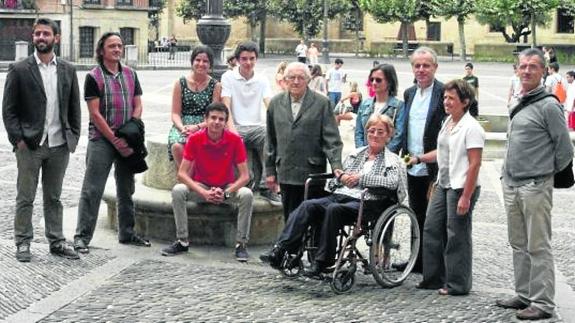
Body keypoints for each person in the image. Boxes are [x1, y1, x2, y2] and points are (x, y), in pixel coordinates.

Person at [261, 114, 407, 277]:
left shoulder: (392, 160)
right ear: (366, 133)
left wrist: (362, 178)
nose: (375, 135)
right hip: (342, 194)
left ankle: (322, 261)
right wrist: (342, 177)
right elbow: (335, 181)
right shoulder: (356, 155)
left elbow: (392, 182)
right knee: (308, 205)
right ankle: (282, 249)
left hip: (368, 201)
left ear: (388, 136)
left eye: (381, 132)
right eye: (372, 131)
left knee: (334, 210)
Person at [495, 48, 573, 321]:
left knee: (538, 245)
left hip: (535, 185)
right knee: (518, 243)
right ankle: (524, 294)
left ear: (543, 71)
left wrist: (543, 174)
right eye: (523, 66)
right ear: (517, 69)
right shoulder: (520, 100)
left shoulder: (549, 105)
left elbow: (565, 149)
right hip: (513, 183)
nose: (526, 71)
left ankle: (543, 303)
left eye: (533, 67)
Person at [2, 18, 81, 262]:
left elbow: (74, 106)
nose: (41, 38)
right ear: (33, 37)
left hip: (59, 145)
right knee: (25, 196)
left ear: (56, 38)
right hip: (30, 145)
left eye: (46, 34)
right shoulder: (20, 69)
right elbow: (9, 110)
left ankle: (56, 241)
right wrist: (19, 140)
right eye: (37, 34)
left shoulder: (67, 69)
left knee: (54, 197)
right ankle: (23, 242)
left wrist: (73, 136)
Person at [74, 32, 150, 254]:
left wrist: (133, 126)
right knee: (92, 189)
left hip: (127, 139)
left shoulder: (131, 74)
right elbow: (95, 115)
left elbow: (138, 104)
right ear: (101, 50)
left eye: (119, 46)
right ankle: (81, 237)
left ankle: (127, 233)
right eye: (112, 46)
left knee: (126, 188)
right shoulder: (94, 76)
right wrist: (115, 140)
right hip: (102, 140)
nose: (117, 49)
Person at [409, 79, 484, 296]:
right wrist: (418, 158)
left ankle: (458, 284)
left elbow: (475, 164)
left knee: (456, 235)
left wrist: (466, 197)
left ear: (465, 101)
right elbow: (441, 153)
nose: (446, 102)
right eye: (445, 97)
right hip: (443, 183)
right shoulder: (448, 122)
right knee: (431, 228)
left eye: (451, 98)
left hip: (461, 187)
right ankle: (433, 278)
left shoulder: (472, 127)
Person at [161, 103, 254, 261]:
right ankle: (182, 241)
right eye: (213, 118)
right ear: (206, 119)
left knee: (247, 194)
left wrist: (225, 194)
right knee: (178, 190)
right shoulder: (195, 139)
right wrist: (203, 192)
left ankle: (241, 244)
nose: (217, 122)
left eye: (221, 119)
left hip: (226, 188)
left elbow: (245, 176)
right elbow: (182, 174)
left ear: (225, 122)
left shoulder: (235, 140)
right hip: (202, 187)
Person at [265, 62, 344, 222]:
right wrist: (270, 171)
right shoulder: (275, 103)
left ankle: (310, 246)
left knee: (311, 217)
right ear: (285, 80)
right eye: (291, 77)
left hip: (311, 171)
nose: (296, 81)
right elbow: (270, 139)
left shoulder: (322, 103)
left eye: (300, 78)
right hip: (286, 170)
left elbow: (332, 139)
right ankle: (291, 247)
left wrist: (336, 166)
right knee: (290, 217)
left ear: (308, 80)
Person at [399, 46, 446, 273]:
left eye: (426, 65)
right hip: (412, 164)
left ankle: (433, 263)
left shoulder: (444, 92)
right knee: (415, 212)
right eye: (417, 65)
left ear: (435, 67)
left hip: (435, 166)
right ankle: (416, 259)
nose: (421, 69)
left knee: (434, 216)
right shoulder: (409, 93)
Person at [221, 41, 280, 203]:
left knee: (270, 137)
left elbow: (270, 105)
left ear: (256, 59)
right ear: (238, 60)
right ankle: (236, 184)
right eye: (244, 59)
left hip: (255, 127)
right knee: (231, 142)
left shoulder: (262, 80)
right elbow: (226, 107)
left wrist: (280, 125)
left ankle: (265, 186)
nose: (248, 63)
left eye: (252, 59)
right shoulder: (228, 77)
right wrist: (233, 132)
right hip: (235, 126)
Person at [167, 46, 221, 168]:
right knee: (176, 145)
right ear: (192, 62)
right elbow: (175, 113)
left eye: (205, 61)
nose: (201, 64)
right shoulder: (180, 83)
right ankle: (187, 179)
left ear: (210, 64)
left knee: (202, 145)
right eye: (197, 60)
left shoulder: (215, 85)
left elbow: (214, 114)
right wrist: (182, 128)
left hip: (205, 124)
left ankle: (198, 179)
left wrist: (197, 127)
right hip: (183, 124)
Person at [355, 64, 405, 153]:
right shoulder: (364, 104)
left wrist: (383, 155)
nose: (374, 83)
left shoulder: (398, 106)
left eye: (378, 80)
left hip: (388, 158)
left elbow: (399, 135)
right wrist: (362, 152)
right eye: (371, 79)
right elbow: (359, 132)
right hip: (364, 156)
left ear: (389, 82)